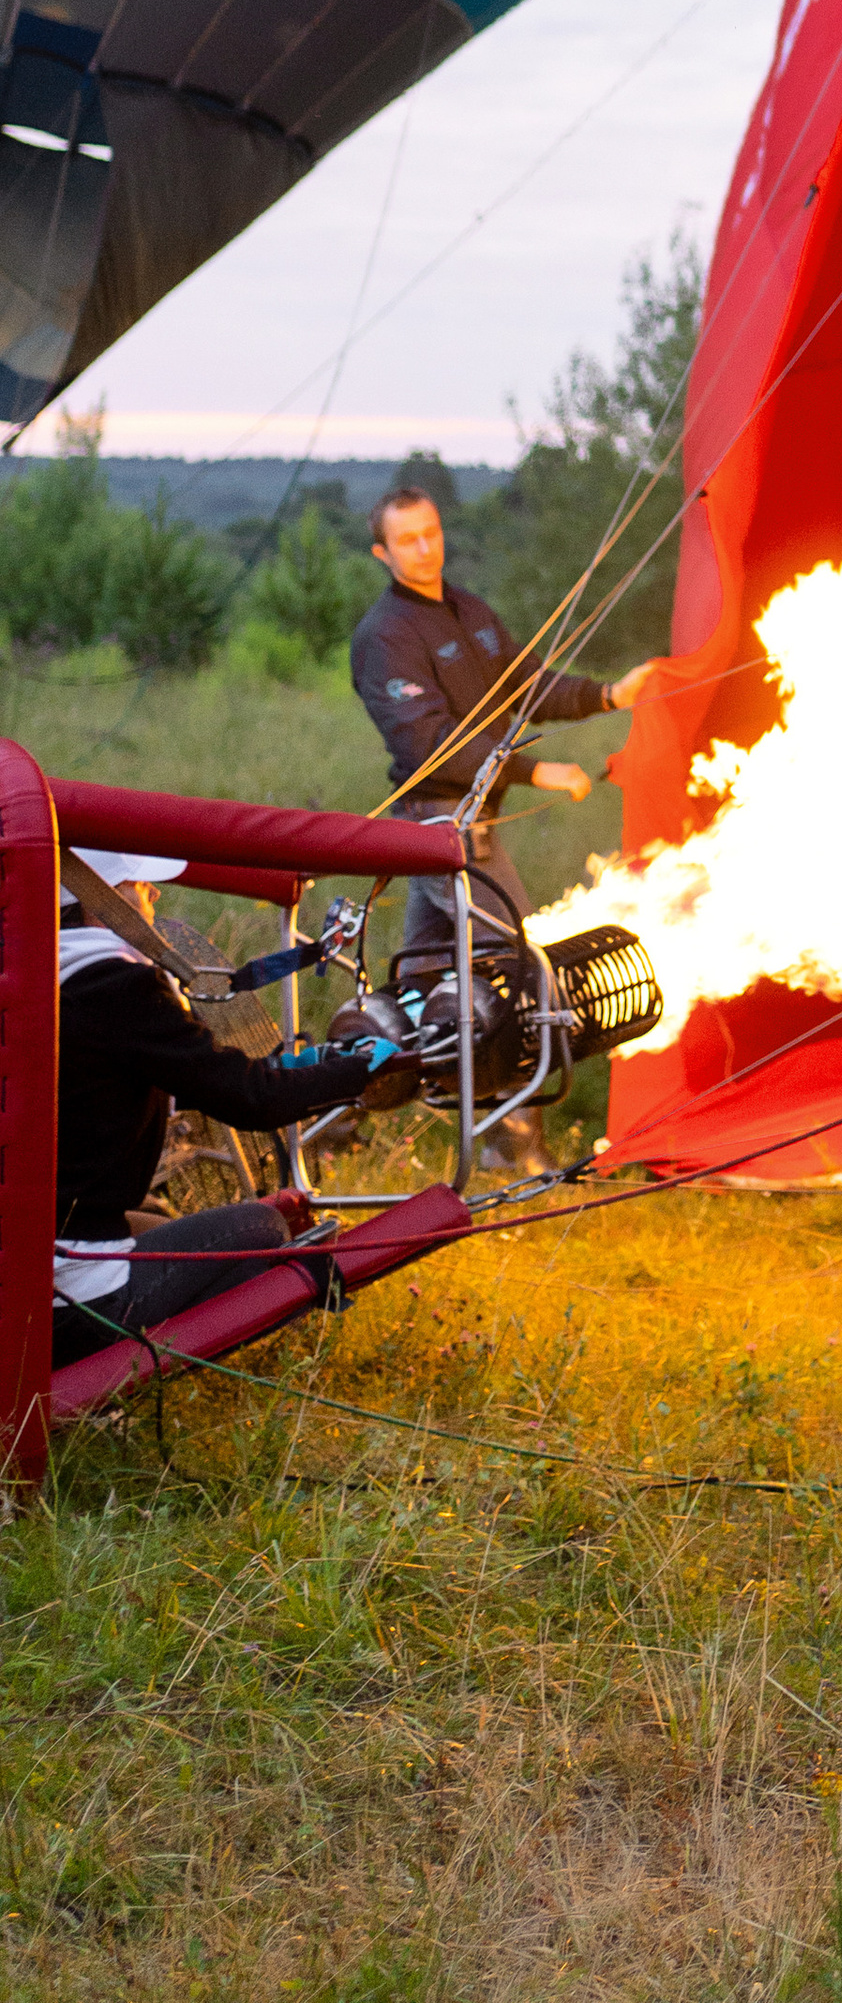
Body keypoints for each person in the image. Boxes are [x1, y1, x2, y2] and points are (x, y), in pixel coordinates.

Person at [53, 852, 399, 1365]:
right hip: (73, 1301)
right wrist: (362, 1068)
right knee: (256, 1230)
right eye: (142, 885)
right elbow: (251, 1100)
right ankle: (111, 1384)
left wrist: (297, 1069)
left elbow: (140, 1078)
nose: (156, 895)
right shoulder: (113, 984)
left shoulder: (46, 977)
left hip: (29, 1266)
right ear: (101, 901)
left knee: (154, 1218)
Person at [352, 485, 660, 960]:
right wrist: (534, 771)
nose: (424, 549)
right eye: (407, 540)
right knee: (525, 961)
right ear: (382, 552)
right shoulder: (386, 636)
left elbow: (528, 684)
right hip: (442, 819)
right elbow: (430, 743)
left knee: (428, 971)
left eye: (431, 534)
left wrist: (608, 695)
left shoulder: (469, 610)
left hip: (474, 816)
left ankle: (398, 1030)